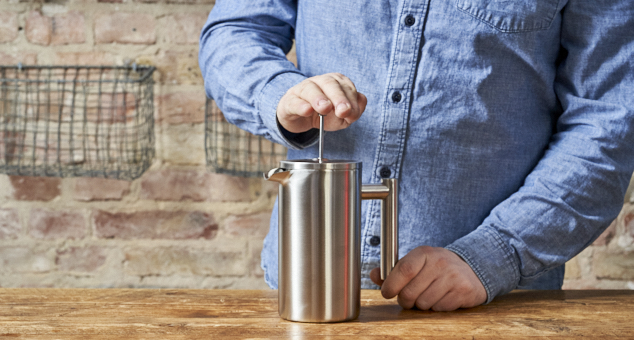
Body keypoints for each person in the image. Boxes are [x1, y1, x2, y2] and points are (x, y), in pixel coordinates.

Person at [199, 1, 634, 311]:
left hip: (492, 303)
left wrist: (493, 255)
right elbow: (236, 30)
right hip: (302, 292)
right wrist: (278, 93)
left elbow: (608, 123)